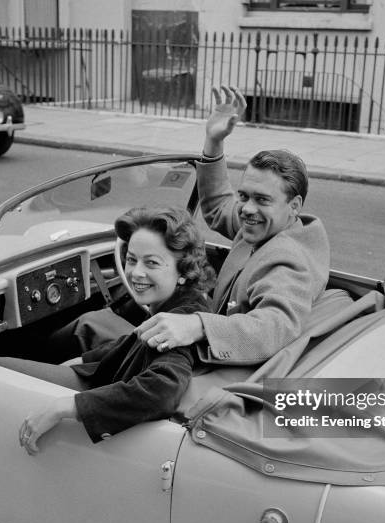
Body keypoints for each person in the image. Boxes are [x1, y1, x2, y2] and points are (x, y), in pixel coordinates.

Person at [134, 85, 330, 364]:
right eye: (244, 196)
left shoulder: (287, 260)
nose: (247, 209)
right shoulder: (269, 225)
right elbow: (217, 208)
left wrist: (198, 325)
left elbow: (274, 326)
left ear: (294, 205)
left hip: (216, 368)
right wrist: (214, 141)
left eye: (262, 199)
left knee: (91, 330)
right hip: (215, 334)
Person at [0, 207, 213, 453]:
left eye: (151, 262)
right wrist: (83, 359)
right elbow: (134, 342)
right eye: (131, 259)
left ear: (183, 272)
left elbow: (162, 392)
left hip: (105, 396)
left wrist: (68, 406)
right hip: (107, 377)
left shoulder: (177, 325)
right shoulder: (187, 304)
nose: (136, 273)